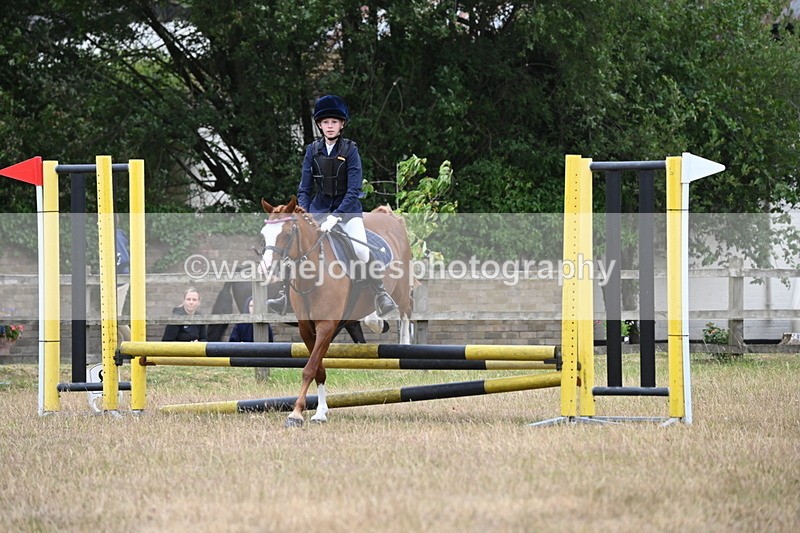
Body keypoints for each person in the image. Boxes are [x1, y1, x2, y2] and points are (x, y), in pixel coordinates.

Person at [267, 94, 397, 317]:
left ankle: (380, 293)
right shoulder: (312, 151)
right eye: (326, 122)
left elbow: (353, 189)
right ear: (319, 124)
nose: (330, 126)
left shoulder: (350, 151)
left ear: (341, 125)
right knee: (296, 244)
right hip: (318, 210)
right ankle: (283, 295)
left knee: (361, 250)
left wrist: (336, 216)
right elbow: (305, 189)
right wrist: (305, 214)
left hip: (347, 212)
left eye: (334, 122)